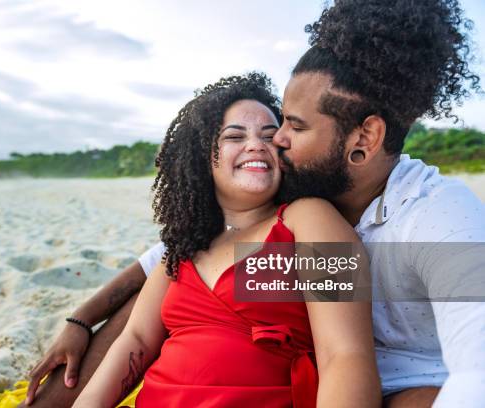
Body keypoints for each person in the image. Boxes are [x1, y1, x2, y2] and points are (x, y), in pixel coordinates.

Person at [24, 0, 484, 406]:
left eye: (290, 128)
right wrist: (80, 320)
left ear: (364, 138)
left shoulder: (434, 219)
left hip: (403, 388)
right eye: (239, 134)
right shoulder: (284, 196)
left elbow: (468, 366)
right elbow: (154, 275)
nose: (274, 142)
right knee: (159, 299)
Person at [74, 72, 379, 407]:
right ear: (203, 158)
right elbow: (136, 340)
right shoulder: (184, 247)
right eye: (235, 136)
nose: (256, 145)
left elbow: (346, 354)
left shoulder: (311, 218)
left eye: (269, 136)